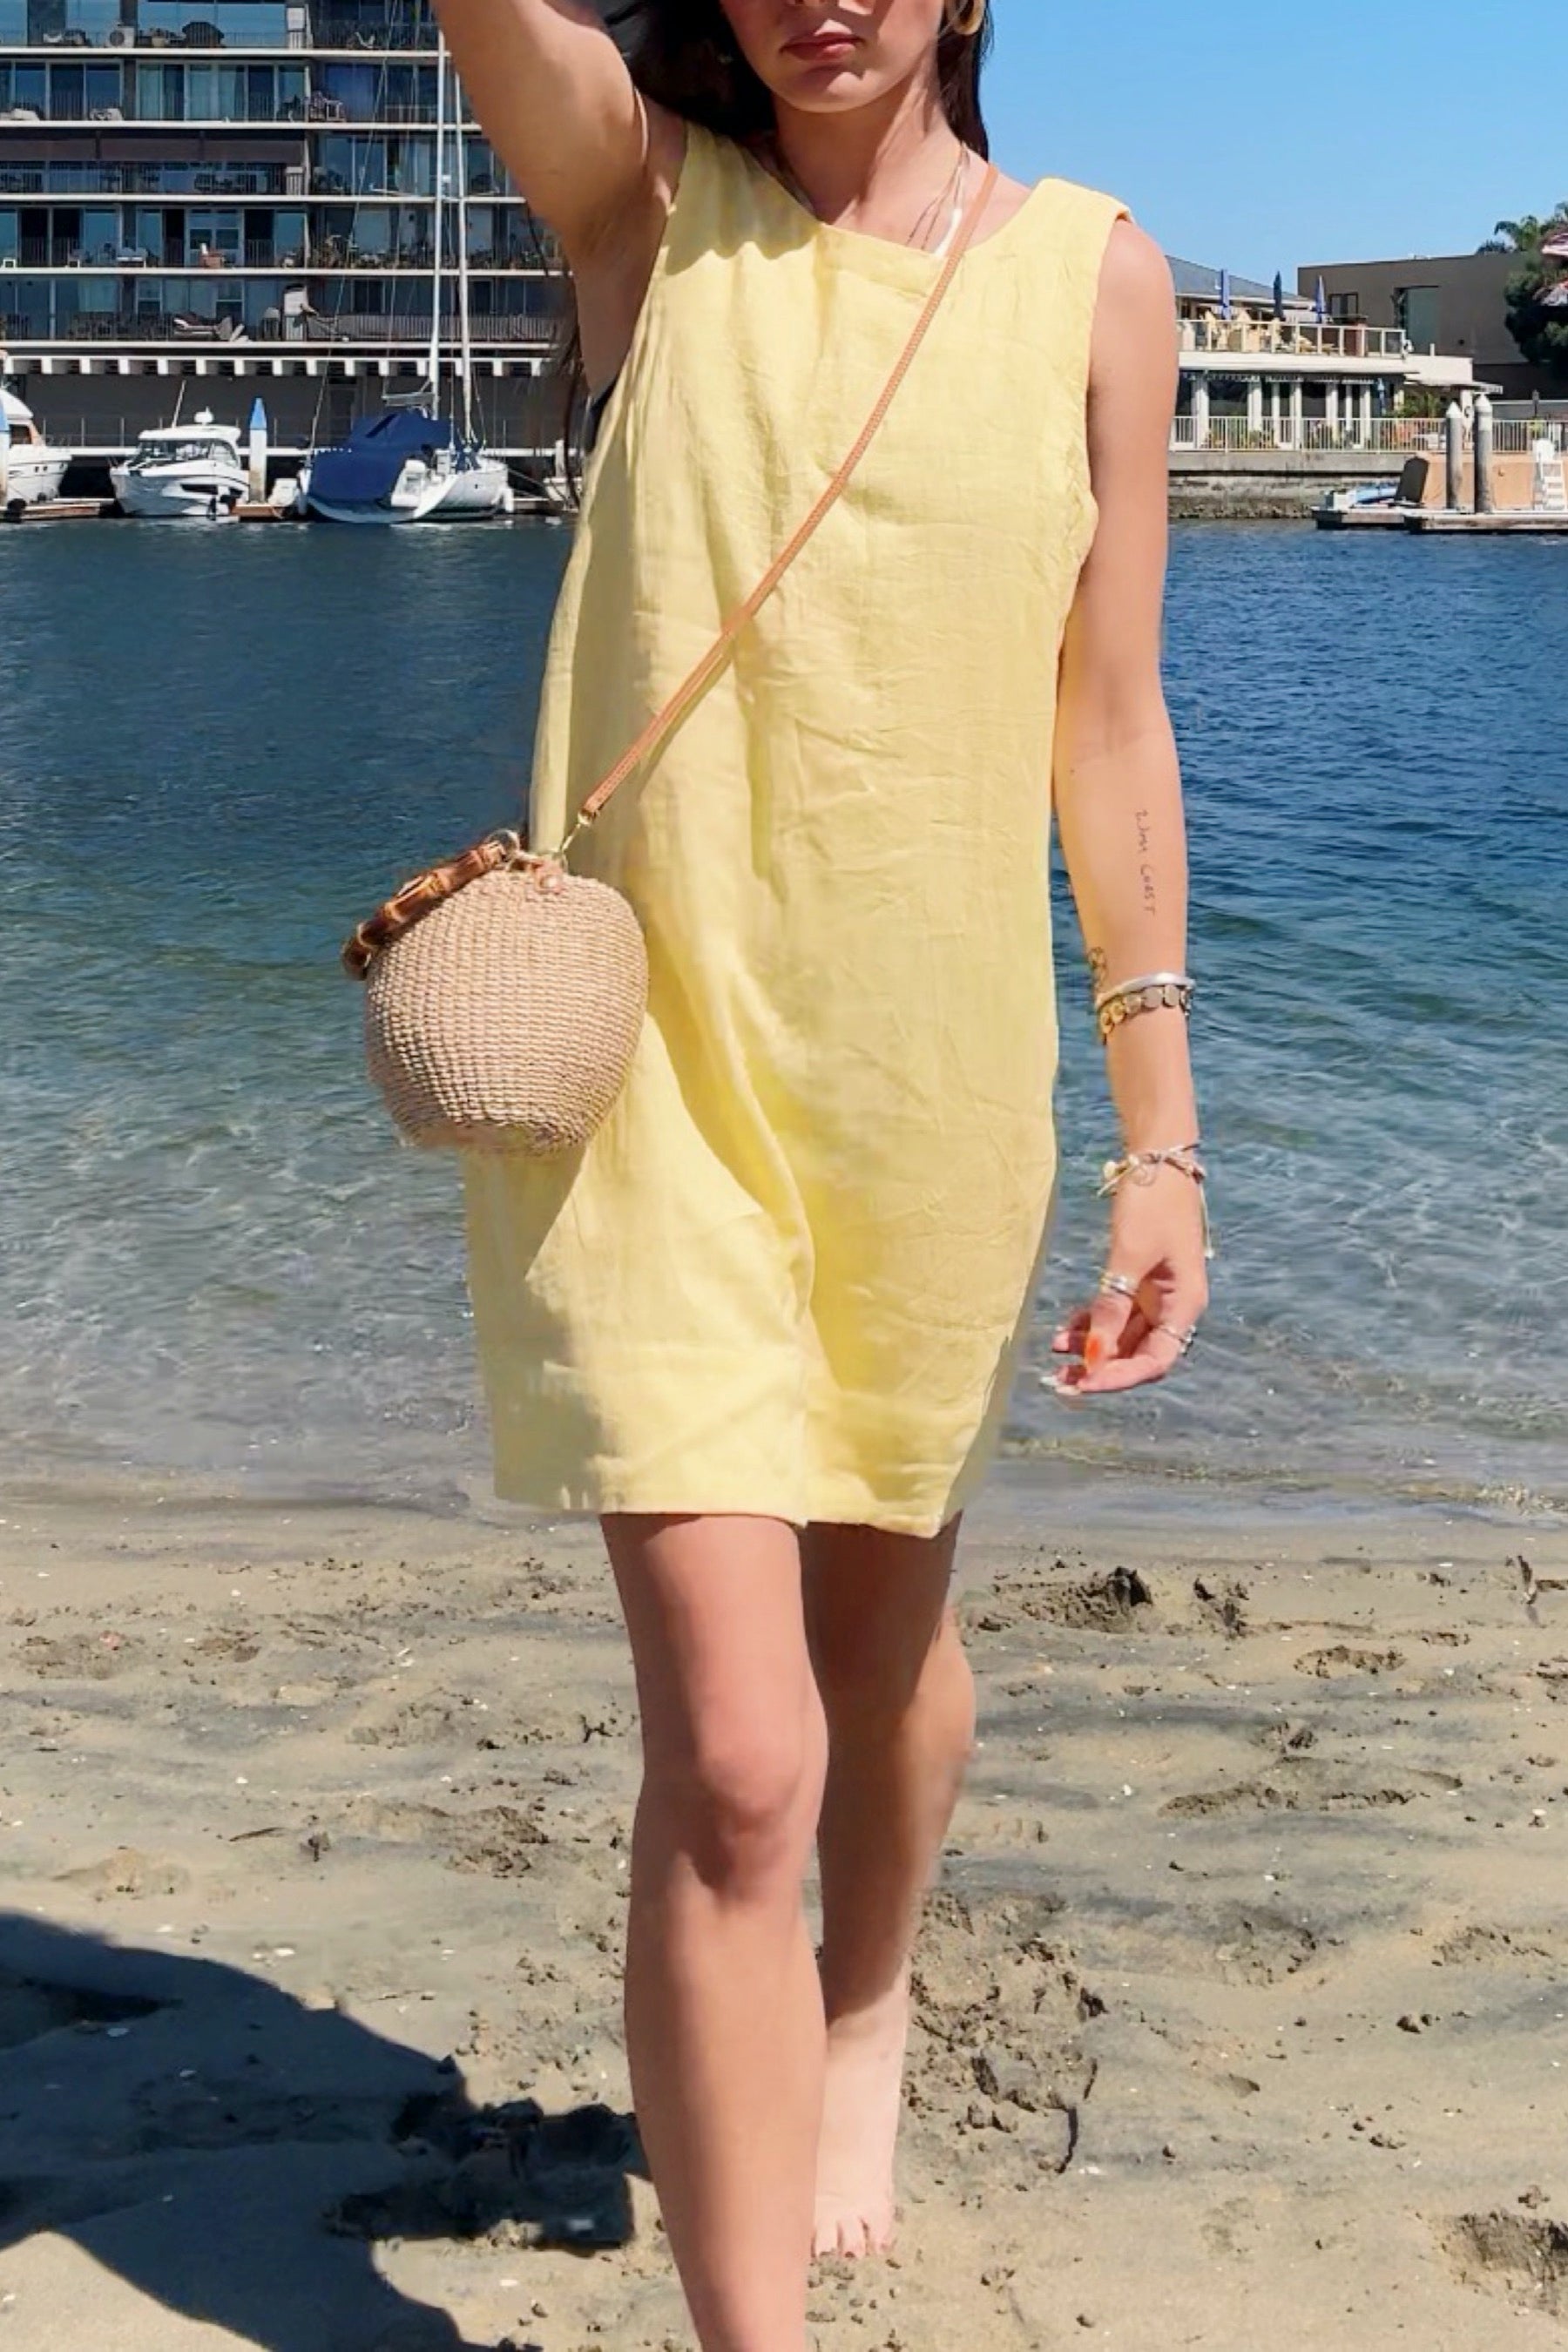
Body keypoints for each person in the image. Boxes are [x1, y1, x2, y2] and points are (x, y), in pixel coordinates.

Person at [440, 4, 1207, 2347]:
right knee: (740, 1757)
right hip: (643, 1098)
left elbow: (1108, 715)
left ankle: (860, 2011)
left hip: (928, 1096)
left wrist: (1161, 1132)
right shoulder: (644, 205)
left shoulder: (1096, 279)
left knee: (880, 1679)